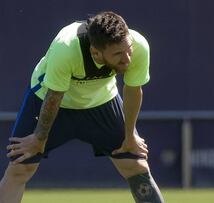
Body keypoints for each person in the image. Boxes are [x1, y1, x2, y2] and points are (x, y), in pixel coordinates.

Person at [0, 11, 164, 203]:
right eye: (118, 54)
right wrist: (38, 138)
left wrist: (130, 137)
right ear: (96, 52)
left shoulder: (138, 45)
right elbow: (54, 96)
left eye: (128, 49)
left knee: (136, 165)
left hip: (101, 102)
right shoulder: (66, 47)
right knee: (20, 168)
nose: (127, 59)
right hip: (49, 100)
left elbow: (133, 90)